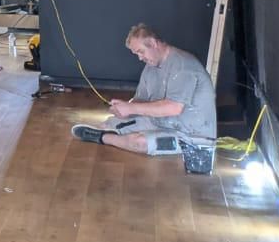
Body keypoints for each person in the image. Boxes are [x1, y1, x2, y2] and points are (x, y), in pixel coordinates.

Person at [71, 23, 216, 153]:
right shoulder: (151, 66)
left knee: (139, 142)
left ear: (153, 43)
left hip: (192, 133)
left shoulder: (183, 65)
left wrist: (131, 109)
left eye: (141, 51)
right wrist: (125, 108)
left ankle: (104, 138)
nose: (140, 58)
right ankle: (106, 132)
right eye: (137, 54)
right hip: (160, 122)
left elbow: (173, 108)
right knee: (109, 123)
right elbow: (141, 99)